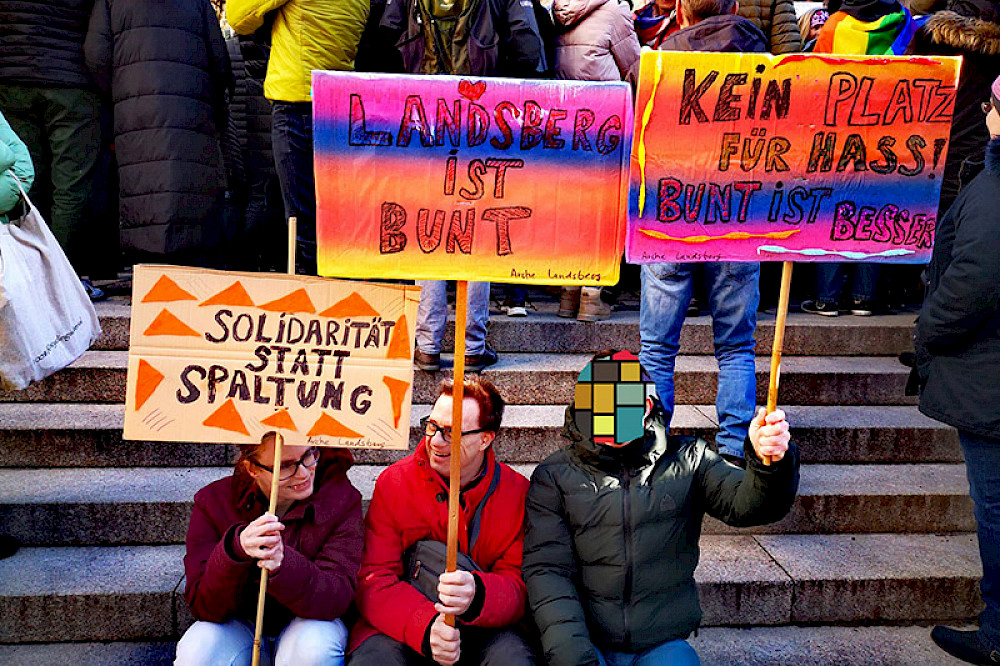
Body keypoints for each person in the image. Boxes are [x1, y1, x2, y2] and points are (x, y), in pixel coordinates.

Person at [523, 352, 799, 666]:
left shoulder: (691, 459)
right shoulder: (554, 475)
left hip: (661, 644)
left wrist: (770, 463)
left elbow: (750, 506)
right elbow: (548, 571)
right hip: (586, 639)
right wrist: (574, 656)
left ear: (647, 406)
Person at [375, 0, 541, 374]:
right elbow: (528, 49)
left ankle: (428, 345)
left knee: (429, 225)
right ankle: (473, 347)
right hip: (482, 114)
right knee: (477, 227)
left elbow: (385, 38)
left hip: (423, 116)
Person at [639, 0, 767, 462]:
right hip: (739, 218)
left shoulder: (662, 59)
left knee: (656, 348)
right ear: (733, 5)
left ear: (680, 8)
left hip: (671, 217)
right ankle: (734, 451)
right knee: (736, 346)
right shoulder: (763, 61)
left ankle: (649, 448)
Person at [349, 376, 535, 665]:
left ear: (486, 439)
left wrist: (479, 594)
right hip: (402, 619)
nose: (435, 441)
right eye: (432, 426)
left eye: (451, 432)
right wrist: (424, 626)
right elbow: (374, 579)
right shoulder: (395, 483)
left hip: (483, 626)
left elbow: (519, 586)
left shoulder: (515, 492)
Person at [917, 74, 1000, 666]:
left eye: (991, 103)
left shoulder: (997, 189)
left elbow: (975, 281)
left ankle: (998, 632)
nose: (984, 111)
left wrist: (926, 331)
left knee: (995, 508)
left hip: (989, 380)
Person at [175, 434, 363, 665]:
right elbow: (204, 606)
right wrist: (234, 551)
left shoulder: (341, 499)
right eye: (285, 466)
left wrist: (285, 567)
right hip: (242, 624)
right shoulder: (213, 502)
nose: (303, 473)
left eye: (308, 455)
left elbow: (338, 596)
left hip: (311, 622)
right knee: (199, 649)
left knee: (313, 648)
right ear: (252, 469)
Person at [86, 0, 232, 267]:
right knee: (189, 182)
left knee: (143, 182)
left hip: (135, 107)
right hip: (191, 107)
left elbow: (96, 56)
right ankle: (191, 264)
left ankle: (147, 268)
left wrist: (121, 90)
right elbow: (219, 60)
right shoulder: (198, 2)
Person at [228, 0, 369, 275]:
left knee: (301, 224)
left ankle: (310, 303)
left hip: (296, 101)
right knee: (329, 220)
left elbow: (238, 16)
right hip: (338, 103)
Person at [800, 0, 917, 316]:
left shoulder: (835, 25)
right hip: (889, 134)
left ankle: (828, 298)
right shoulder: (903, 23)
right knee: (874, 211)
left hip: (839, 136)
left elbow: (816, 79)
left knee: (833, 213)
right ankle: (864, 298)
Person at [0, 0, 105, 300]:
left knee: (21, 180)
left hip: (13, 79)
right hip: (71, 82)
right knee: (73, 185)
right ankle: (65, 282)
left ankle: (22, 278)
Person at [552, 0, 640, 323]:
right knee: (605, 211)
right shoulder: (614, 13)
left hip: (569, 126)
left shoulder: (559, 14)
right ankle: (593, 294)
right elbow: (636, 69)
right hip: (608, 127)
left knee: (577, 209)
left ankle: (569, 290)